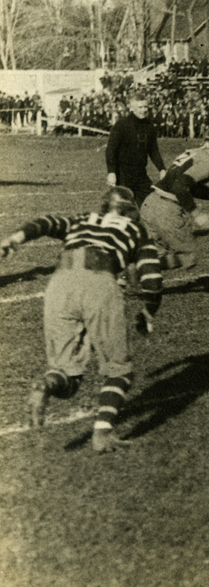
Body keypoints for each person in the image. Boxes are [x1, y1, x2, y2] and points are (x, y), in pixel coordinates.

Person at [0, 186, 163, 453]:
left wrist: (15, 238)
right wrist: (148, 312)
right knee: (118, 369)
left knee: (66, 375)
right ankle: (102, 434)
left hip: (60, 283)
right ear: (130, 210)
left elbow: (46, 222)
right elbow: (153, 281)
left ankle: (46, 384)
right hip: (99, 281)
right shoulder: (137, 230)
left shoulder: (83, 219)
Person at [139, 126, 209, 271]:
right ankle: (135, 269)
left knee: (157, 255)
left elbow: (188, 186)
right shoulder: (206, 162)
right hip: (166, 211)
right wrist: (196, 214)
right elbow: (180, 187)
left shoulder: (193, 152)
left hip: (150, 203)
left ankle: (132, 271)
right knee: (189, 256)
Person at [105, 94, 166, 206]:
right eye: (140, 107)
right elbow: (111, 150)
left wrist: (161, 169)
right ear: (132, 108)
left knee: (150, 206)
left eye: (145, 107)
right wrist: (111, 172)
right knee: (123, 209)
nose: (144, 110)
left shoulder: (149, 126)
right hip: (122, 175)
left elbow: (153, 150)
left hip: (141, 174)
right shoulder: (121, 125)